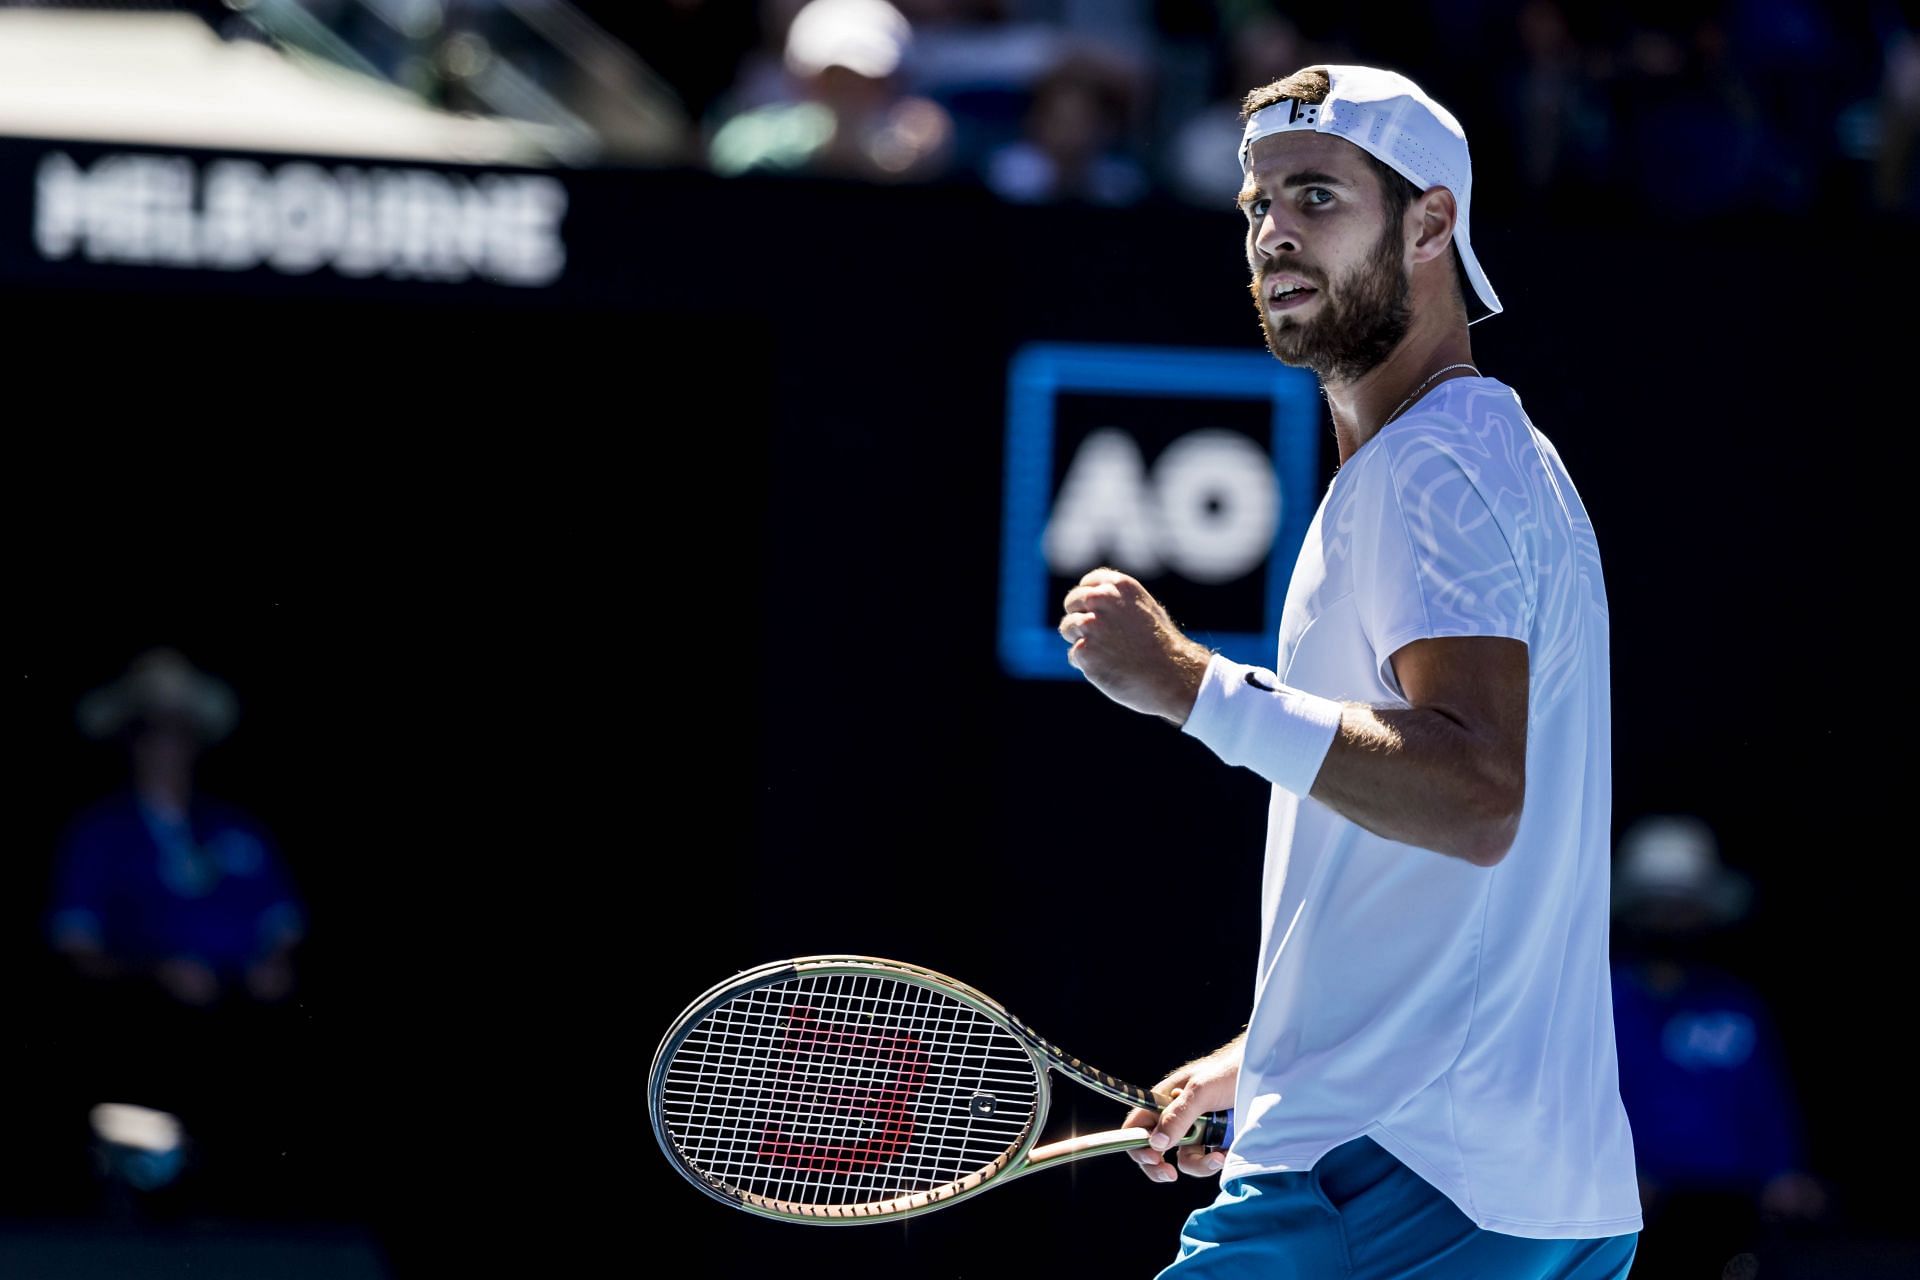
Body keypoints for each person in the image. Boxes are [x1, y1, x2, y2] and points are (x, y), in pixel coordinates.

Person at [1055, 65, 1641, 1277]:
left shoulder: (1437, 468)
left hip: (1390, 1180)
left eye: (1317, 197)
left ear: (1432, 223)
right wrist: (1263, 1054)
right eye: (1257, 204)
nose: (1273, 232)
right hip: (1525, 1191)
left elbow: (1476, 795)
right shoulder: (1488, 457)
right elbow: (1451, 878)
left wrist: (1188, 684)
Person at [1608, 815, 1828, 1275]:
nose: (1670, 918)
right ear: (1633, 909)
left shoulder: (1738, 1005)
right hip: (1631, 1212)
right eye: (1657, 904)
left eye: (1683, 905)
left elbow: (1767, 1102)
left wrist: (1782, 1173)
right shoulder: (1599, 1003)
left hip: (1733, 1212)